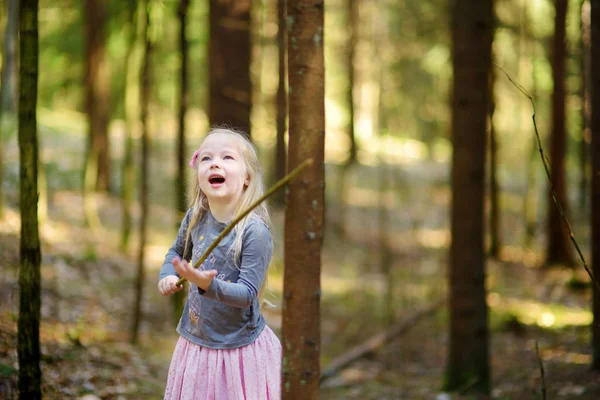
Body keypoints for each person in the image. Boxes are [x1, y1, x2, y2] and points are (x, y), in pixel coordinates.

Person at [158, 127, 281, 400]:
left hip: (238, 352)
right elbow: (175, 253)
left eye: (227, 157)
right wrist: (167, 275)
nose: (215, 162)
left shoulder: (254, 231)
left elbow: (247, 294)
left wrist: (207, 284)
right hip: (196, 345)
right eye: (206, 158)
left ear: (247, 177)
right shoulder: (195, 217)